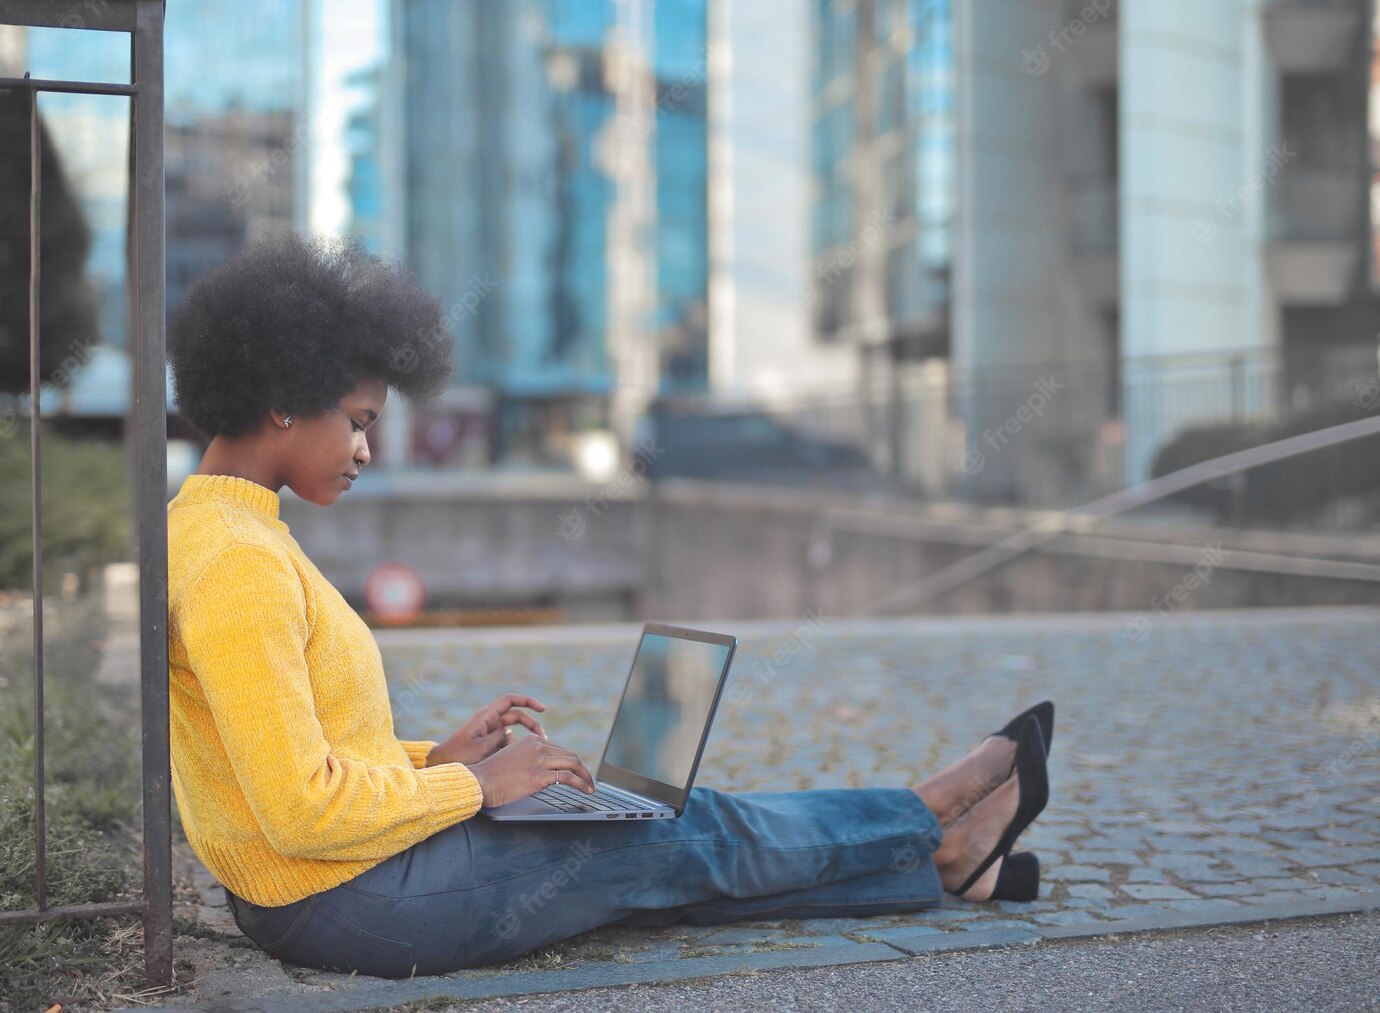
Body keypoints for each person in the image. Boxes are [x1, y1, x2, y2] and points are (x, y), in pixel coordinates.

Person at [166, 232, 1054, 978]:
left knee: (655, 846)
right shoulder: (237, 561)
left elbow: (299, 753)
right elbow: (298, 810)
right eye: (358, 419)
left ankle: (940, 861)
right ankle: (928, 811)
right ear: (281, 400)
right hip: (346, 901)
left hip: (336, 884)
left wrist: (433, 758)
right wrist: (471, 785)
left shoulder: (230, 533)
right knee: (666, 833)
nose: (366, 448)